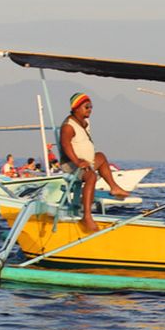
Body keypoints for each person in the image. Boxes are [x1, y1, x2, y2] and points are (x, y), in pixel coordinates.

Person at [59, 92, 132, 232]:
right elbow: (65, 145)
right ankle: (87, 216)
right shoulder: (68, 126)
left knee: (101, 157)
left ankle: (114, 187)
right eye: (87, 107)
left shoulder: (85, 122)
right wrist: (78, 161)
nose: (90, 109)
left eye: (91, 106)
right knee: (91, 176)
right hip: (72, 164)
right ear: (76, 108)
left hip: (86, 161)